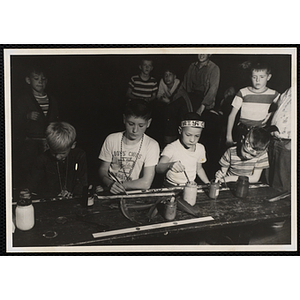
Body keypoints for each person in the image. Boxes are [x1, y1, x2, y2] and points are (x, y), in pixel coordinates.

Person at [98, 99, 160, 194]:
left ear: (148, 123)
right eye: (131, 124)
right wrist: (109, 184)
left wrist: (120, 186)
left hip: (134, 194)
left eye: (141, 125)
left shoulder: (152, 145)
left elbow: (146, 183)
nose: (135, 130)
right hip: (110, 190)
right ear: (124, 119)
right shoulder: (112, 139)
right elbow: (103, 170)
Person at [13, 65, 59, 188]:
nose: (40, 82)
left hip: (48, 142)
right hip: (30, 144)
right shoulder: (23, 99)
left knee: (47, 170)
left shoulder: (52, 99)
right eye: (36, 78)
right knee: (30, 170)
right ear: (28, 80)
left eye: (43, 79)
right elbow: (13, 120)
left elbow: (56, 119)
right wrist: (26, 116)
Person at [20, 122, 88, 199]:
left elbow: (83, 182)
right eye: (54, 153)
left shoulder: (79, 156)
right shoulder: (42, 159)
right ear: (48, 146)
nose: (58, 157)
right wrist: (26, 191)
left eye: (63, 153)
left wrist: (74, 194)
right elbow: (31, 183)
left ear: (73, 145)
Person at [226, 62, 280, 147]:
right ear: (250, 77)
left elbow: (284, 106)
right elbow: (232, 115)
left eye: (262, 77)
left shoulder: (273, 94)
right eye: (254, 77)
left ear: (268, 77)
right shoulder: (243, 92)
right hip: (242, 130)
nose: (258, 80)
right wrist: (228, 136)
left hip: (260, 131)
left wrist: (271, 114)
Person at [156, 112, 210, 187]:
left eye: (197, 136)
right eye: (188, 135)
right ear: (180, 130)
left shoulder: (200, 148)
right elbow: (158, 168)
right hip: (170, 185)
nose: (192, 140)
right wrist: (170, 165)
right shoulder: (172, 147)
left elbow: (199, 169)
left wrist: (208, 184)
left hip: (190, 185)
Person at [156, 67, 192, 145]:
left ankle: (174, 138)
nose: (167, 77)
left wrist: (168, 101)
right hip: (169, 106)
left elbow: (178, 99)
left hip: (181, 107)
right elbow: (159, 96)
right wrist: (163, 99)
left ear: (175, 77)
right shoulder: (162, 82)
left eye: (170, 75)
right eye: (165, 75)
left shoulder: (178, 83)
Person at [267, 87, 292, 192]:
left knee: (281, 185)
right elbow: (280, 106)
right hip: (274, 140)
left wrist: (292, 144)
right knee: (269, 179)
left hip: (287, 142)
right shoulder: (291, 89)